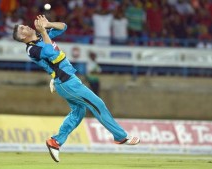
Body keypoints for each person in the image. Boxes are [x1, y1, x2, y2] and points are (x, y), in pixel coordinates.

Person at [12, 15, 140, 163]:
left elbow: (63, 27)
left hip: (68, 79)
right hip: (66, 83)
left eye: (23, 25)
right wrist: (45, 33)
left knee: (78, 112)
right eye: (22, 28)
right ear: (22, 37)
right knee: (97, 104)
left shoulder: (41, 36)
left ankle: (55, 141)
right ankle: (120, 137)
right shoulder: (31, 49)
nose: (25, 26)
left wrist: (48, 24)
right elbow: (51, 53)